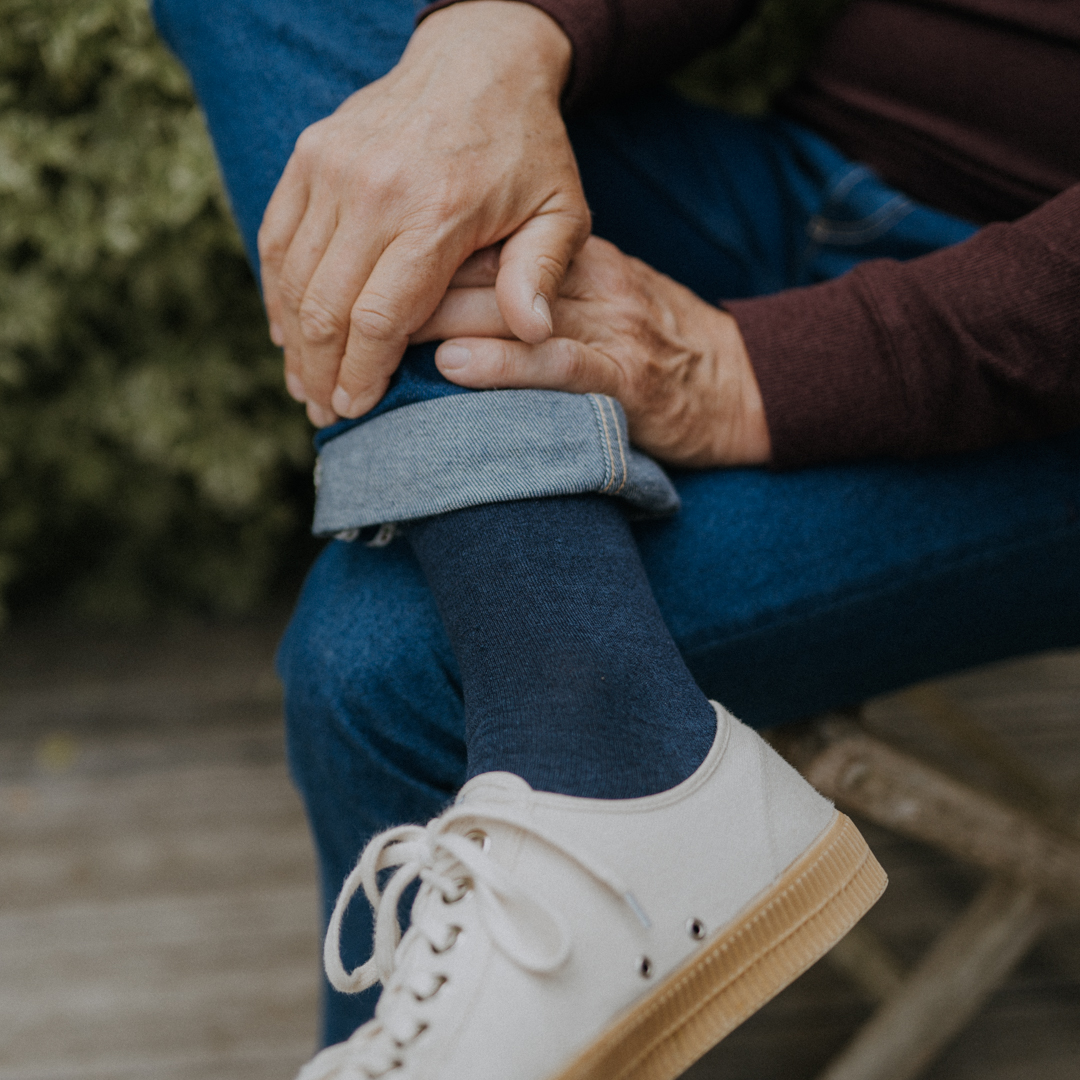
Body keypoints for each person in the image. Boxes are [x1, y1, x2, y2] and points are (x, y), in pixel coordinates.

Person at [150, 1, 1080, 1077]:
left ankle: (598, 731)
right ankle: (606, 743)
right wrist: (516, 37)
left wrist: (748, 374)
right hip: (817, 184)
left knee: (383, 659)